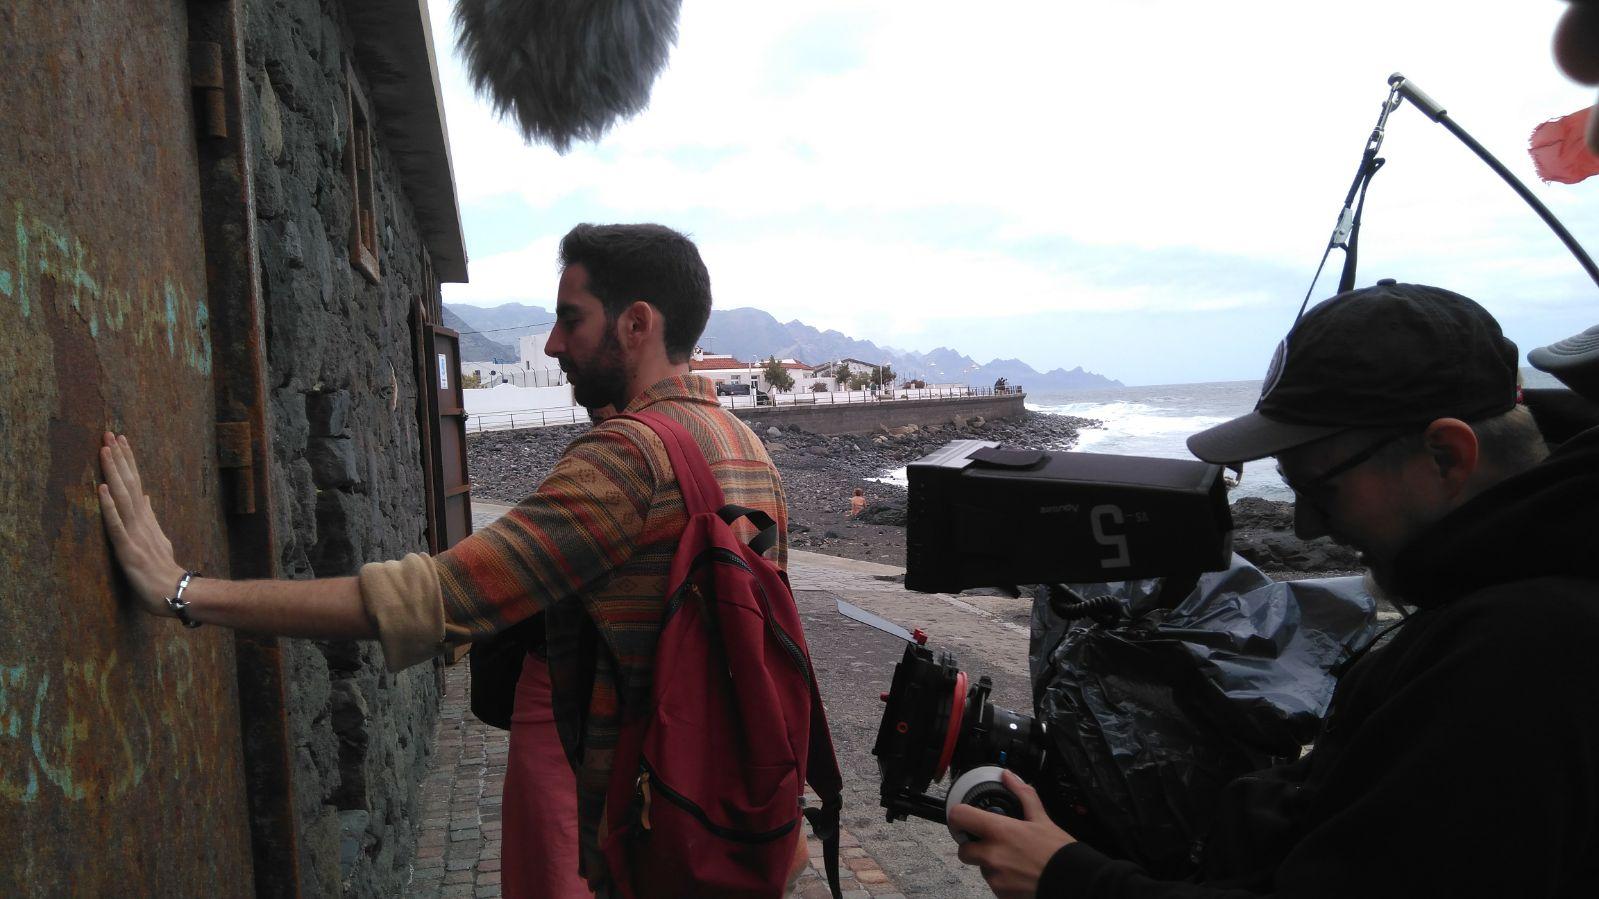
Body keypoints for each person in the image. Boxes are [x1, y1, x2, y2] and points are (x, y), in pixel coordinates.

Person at [96, 223, 794, 896]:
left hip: (647, 830)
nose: (552, 343)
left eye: (570, 319)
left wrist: (184, 590)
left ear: (636, 324)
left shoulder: (627, 455)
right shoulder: (744, 447)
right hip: (725, 812)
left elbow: (428, 599)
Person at [949, 282, 1599, 897]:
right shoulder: (1502, 593)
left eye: (1319, 487)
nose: (1305, 525)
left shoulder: (1519, 653)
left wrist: (1067, 878)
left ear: (1446, 456)